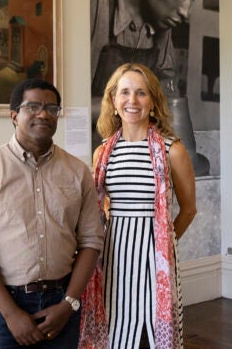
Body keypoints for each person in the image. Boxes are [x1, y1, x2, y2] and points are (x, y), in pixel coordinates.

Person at [0, 78, 104, 348]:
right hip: (3, 308)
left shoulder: (78, 172)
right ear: (14, 116)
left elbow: (91, 241)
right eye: (33, 106)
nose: (43, 114)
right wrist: (11, 314)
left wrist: (68, 304)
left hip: (61, 305)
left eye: (51, 108)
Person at [80, 63, 196, 349]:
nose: (133, 100)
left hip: (155, 266)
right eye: (125, 92)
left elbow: (189, 209)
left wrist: (162, 246)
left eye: (141, 93)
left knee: (150, 339)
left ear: (153, 102)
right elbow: (102, 209)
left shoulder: (173, 150)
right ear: (114, 101)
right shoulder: (103, 152)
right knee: (114, 336)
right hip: (113, 261)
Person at [90, 0, 215, 147]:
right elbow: (51, 108)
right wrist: (128, 106)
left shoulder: (161, 13)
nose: (185, 12)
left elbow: (169, 95)